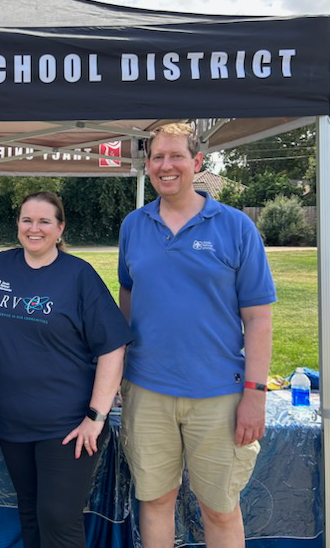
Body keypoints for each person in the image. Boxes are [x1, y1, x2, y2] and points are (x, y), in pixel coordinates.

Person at [117, 122, 276, 548]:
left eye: (176, 156)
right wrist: (117, 371)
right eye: (157, 157)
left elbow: (258, 319)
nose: (166, 166)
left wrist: (255, 395)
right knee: (156, 501)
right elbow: (126, 297)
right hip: (147, 390)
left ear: (197, 162)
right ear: (147, 164)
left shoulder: (236, 227)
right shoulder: (133, 225)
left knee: (220, 510)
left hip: (219, 394)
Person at [0, 192, 133, 548]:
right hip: (11, 421)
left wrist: (96, 416)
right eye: (27, 220)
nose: (34, 228)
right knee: (30, 512)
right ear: (17, 226)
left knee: (58, 518)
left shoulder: (78, 276)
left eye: (45, 221)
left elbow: (113, 345)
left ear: (60, 229)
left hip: (67, 425)